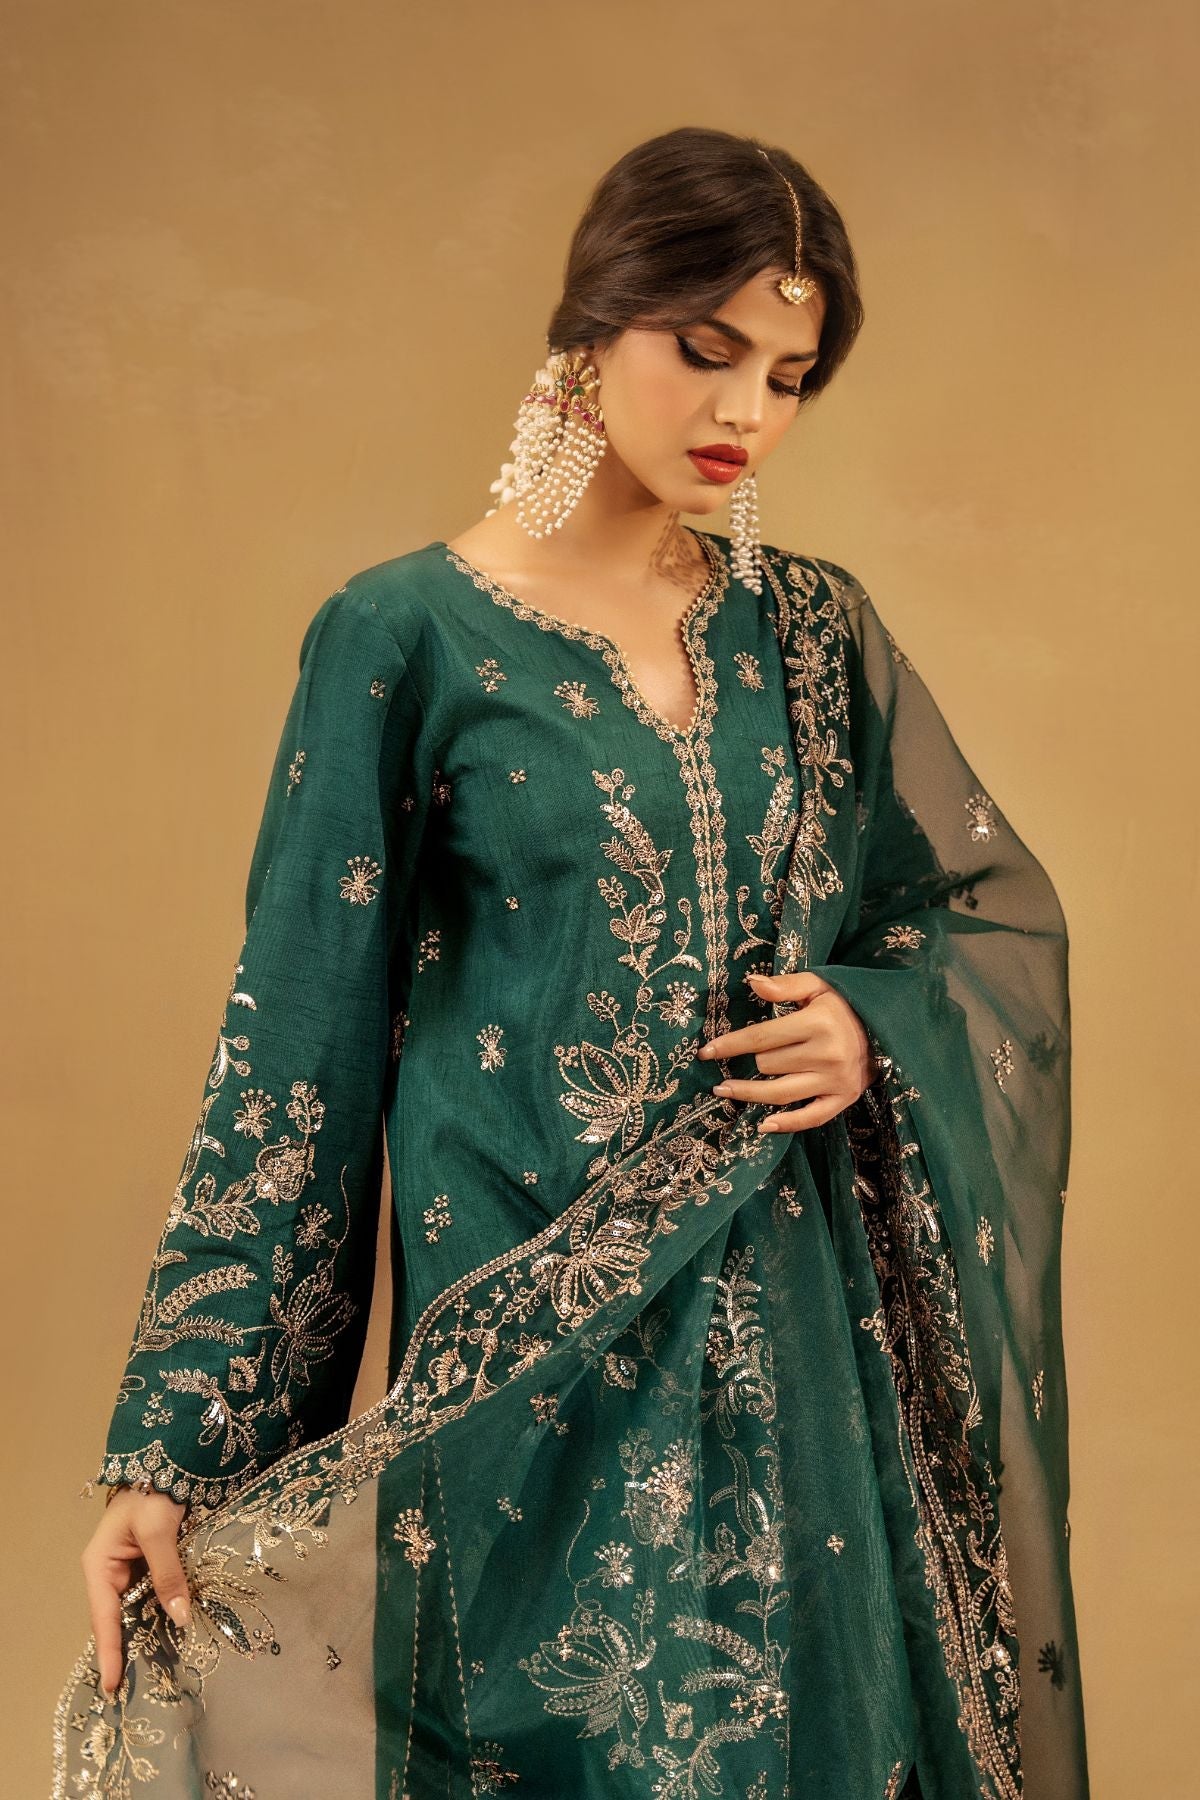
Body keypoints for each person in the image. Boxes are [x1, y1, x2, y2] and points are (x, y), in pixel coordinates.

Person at [55, 126, 1089, 1799]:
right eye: (706, 349)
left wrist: (867, 1023)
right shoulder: (405, 635)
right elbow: (297, 1048)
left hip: (804, 1370)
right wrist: (172, 1446)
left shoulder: (812, 631)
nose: (746, 411)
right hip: (527, 1385)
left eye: (790, 377)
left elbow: (965, 914)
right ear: (594, 324)